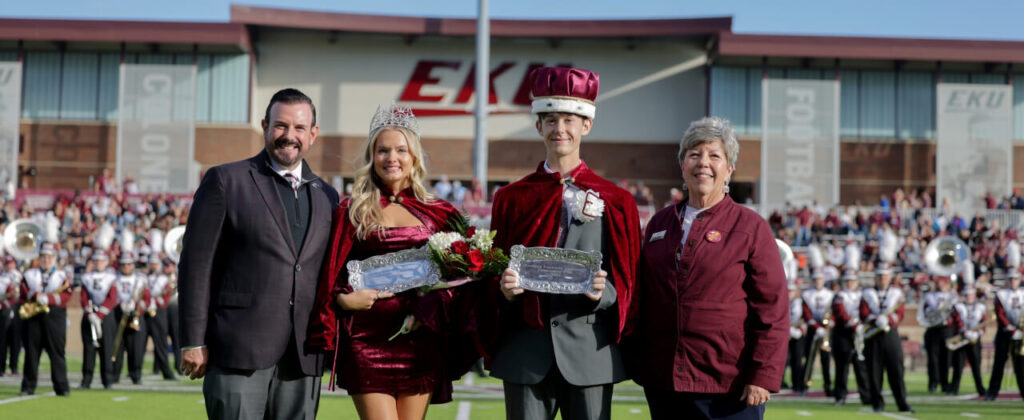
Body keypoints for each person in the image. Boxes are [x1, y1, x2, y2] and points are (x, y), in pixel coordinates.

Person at [488, 66, 640, 420]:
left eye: (570, 119)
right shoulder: (510, 198)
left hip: (590, 352)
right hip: (525, 350)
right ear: (538, 125)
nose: (560, 129)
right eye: (551, 119)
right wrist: (504, 290)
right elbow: (490, 275)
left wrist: (602, 293)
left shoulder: (617, 200)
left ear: (586, 125)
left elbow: (630, 280)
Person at [178, 88, 339, 419]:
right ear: (265, 125)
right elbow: (195, 265)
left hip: (304, 354)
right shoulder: (226, 180)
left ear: (313, 134)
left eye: (298, 128)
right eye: (280, 126)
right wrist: (193, 340)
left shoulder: (329, 196)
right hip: (237, 349)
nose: (289, 136)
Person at [309, 103, 470, 419]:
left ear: (414, 157)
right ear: (372, 156)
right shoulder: (351, 210)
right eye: (383, 150)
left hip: (420, 338)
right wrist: (343, 299)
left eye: (401, 150)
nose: (392, 158)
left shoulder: (441, 213)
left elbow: (458, 278)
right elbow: (331, 271)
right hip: (366, 338)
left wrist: (429, 309)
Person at [628, 116, 787, 419]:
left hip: (729, 387)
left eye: (714, 155)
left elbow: (773, 309)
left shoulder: (750, 227)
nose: (703, 162)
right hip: (665, 383)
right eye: (694, 154)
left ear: (729, 169)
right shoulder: (659, 223)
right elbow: (642, 295)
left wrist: (762, 375)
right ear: (682, 165)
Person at [19, 242, 72, 396]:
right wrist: (36, 296)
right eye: (43, 257)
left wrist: (49, 299)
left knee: (57, 352)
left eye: (49, 257)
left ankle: (62, 387)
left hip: (54, 315)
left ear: (54, 258)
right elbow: (23, 292)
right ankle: (28, 386)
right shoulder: (30, 274)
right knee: (31, 352)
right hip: (34, 315)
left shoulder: (62, 275)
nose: (46, 260)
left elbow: (66, 295)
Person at [859, 265, 913, 413]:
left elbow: (900, 314)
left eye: (885, 276)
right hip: (873, 335)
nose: (883, 279)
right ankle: (877, 403)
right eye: (880, 276)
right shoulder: (867, 293)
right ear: (876, 277)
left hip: (890, 334)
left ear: (889, 277)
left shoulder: (897, 293)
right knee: (874, 372)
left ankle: (902, 403)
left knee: (896, 370)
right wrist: (874, 319)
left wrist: (888, 319)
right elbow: (863, 313)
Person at [78, 250, 118, 389]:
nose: (99, 263)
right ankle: (86, 379)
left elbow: (112, 298)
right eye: (97, 260)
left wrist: (100, 315)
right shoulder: (87, 277)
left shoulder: (111, 277)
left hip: (105, 317)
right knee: (89, 350)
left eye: (102, 260)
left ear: (106, 262)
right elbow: (83, 297)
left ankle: (107, 380)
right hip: (90, 315)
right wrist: (90, 314)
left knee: (106, 349)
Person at [831, 271, 870, 406]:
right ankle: (840, 396)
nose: (850, 283)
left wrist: (862, 325)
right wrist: (854, 324)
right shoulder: (839, 295)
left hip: (860, 332)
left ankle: (866, 395)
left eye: (853, 280)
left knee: (861, 366)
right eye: (848, 281)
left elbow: (867, 311)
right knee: (842, 367)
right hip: (844, 333)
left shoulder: (863, 295)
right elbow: (840, 312)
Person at [985, 270, 1024, 400]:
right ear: (1008, 280)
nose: (1013, 281)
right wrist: (1012, 330)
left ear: (1019, 280)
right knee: (999, 364)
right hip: (1005, 333)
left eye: (1016, 279)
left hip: (1021, 334)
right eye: (1011, 279)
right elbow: (1000, 314)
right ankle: (992, 393)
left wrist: (1020, 331)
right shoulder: (1001, 294)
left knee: (1021, 366)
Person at [112, 252, 148, 385]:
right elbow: (110, 295)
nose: (126, 267)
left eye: (128, 264)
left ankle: (136, 374)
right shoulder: (114, 278)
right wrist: (119, 304)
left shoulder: (140, 279)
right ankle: (114, 375)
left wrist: (137, 306)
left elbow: (147, 299)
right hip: (119, 314)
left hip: (134, 315)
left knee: (136, 348)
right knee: (117, 345)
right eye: (123, 264)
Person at [917, 276, 957, 394]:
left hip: (946, 329)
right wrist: (934, 314)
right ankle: (933, 383)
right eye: (939, 281)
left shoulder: (952, 296)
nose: (941, 284)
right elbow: (923, 312)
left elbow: (956, 313)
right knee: (933, 359)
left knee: (947, 358)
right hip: (933, 329)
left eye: (943, 281)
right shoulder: (929, 296)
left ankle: (945, 383)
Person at [801, 269, 834, 396]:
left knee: (826, 360)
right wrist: (815, 326)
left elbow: (833, 311)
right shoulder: (807, 294)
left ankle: (828, 386)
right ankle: (804, 385)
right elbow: (806, 314)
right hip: (813, 331)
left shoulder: (830, 294)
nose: (817, 281)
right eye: (815, 279)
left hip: (826, 331)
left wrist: (829, 324)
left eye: (820, 279)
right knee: (809, 358)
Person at [142, 255, 176, 380]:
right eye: (152, 263)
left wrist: (156, 301)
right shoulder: (145, 278)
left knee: (161, 343)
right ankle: (135, 371)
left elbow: (166, 298)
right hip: (144, 311)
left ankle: (166, 371)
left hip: (158, 312)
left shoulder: (164, 279)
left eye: (156, 264)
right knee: (140, 343)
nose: (153, 266)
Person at [950, 287, 986, 397]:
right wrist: (964, 332)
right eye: (967, 295)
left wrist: (978, 333)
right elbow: (957, 320)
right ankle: (954, 388)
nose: (969, 297)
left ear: (974, 296)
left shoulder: (980, 307)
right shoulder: (958, 307)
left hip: (974, 340)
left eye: (971, 295)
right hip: (962, 338)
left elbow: (983, 322)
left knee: (976, 365)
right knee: (958, 365)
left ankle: (980, 388)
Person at [0, 255, 20, 377]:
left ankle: (14, 366)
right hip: (4, 310)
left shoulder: (19, 276)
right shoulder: (2, 278)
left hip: (16, 309)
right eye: (7, 264)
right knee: (2, 340)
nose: (9, 266)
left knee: (15, 340)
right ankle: (1, 367)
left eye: (11, 264)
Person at [787, 284, 807, 395]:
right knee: (785, 360)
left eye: (792, 291)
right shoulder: (782, 301)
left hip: (797, 332)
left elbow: (804, 317)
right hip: (786, 332)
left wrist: (799, 328)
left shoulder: (800, 302)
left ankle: (798, 384)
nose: (790, 293)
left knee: (797, 359)